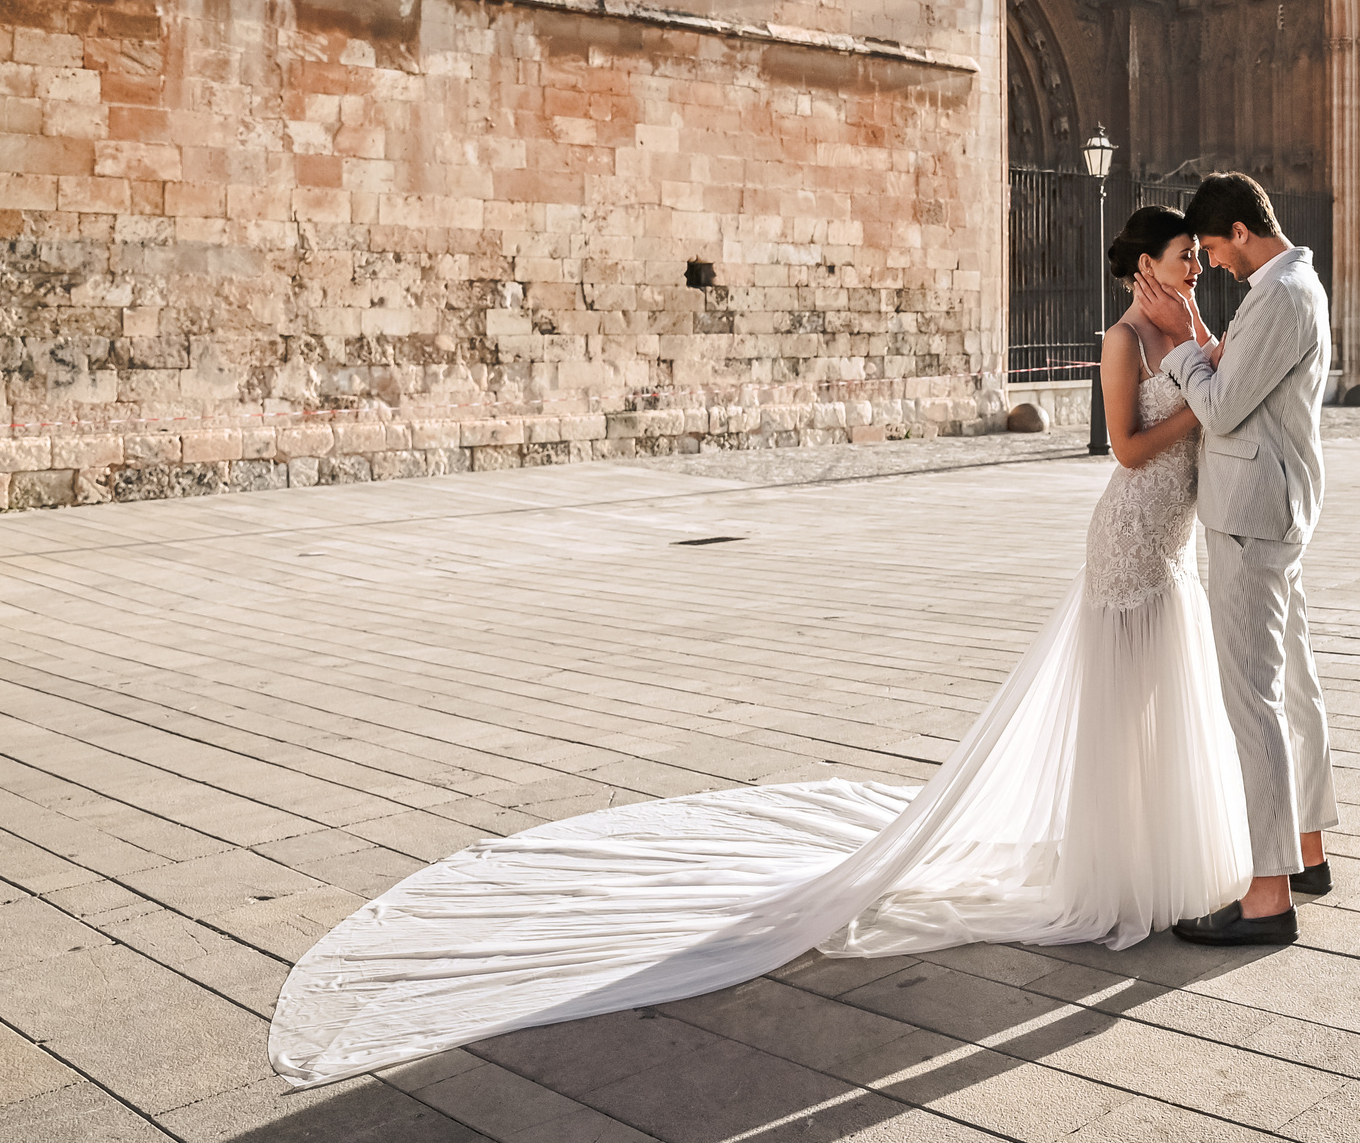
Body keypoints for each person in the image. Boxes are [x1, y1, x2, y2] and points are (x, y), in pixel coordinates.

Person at [266, 206, 1255, 1089]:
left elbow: (1217, 387)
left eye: (1198, 258)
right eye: (1185, 255)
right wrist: (1194, 407)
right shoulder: (1123, 338)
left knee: (1167, 697)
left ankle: (1159, 858)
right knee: (1123, 699)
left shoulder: (1189, 325)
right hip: (1129, 537)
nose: (1197, 267)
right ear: (1146, 264)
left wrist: (1202, 358)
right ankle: (1119, 873)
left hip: (1173, 542)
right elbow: (1126, 446)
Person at [1129, 171, 1337, 948]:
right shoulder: (1290, 284)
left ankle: (1267, 895)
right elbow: (1246, 375)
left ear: (1242, 232)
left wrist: (1183, 346)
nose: (1210, 263)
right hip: (1276, 505)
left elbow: (1219, 407)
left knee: (1253, 698)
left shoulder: (1279, 294)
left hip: (1251, 513)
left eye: (1213, 248)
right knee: (1294, 683)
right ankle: (1306, 850)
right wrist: (1201, 335)